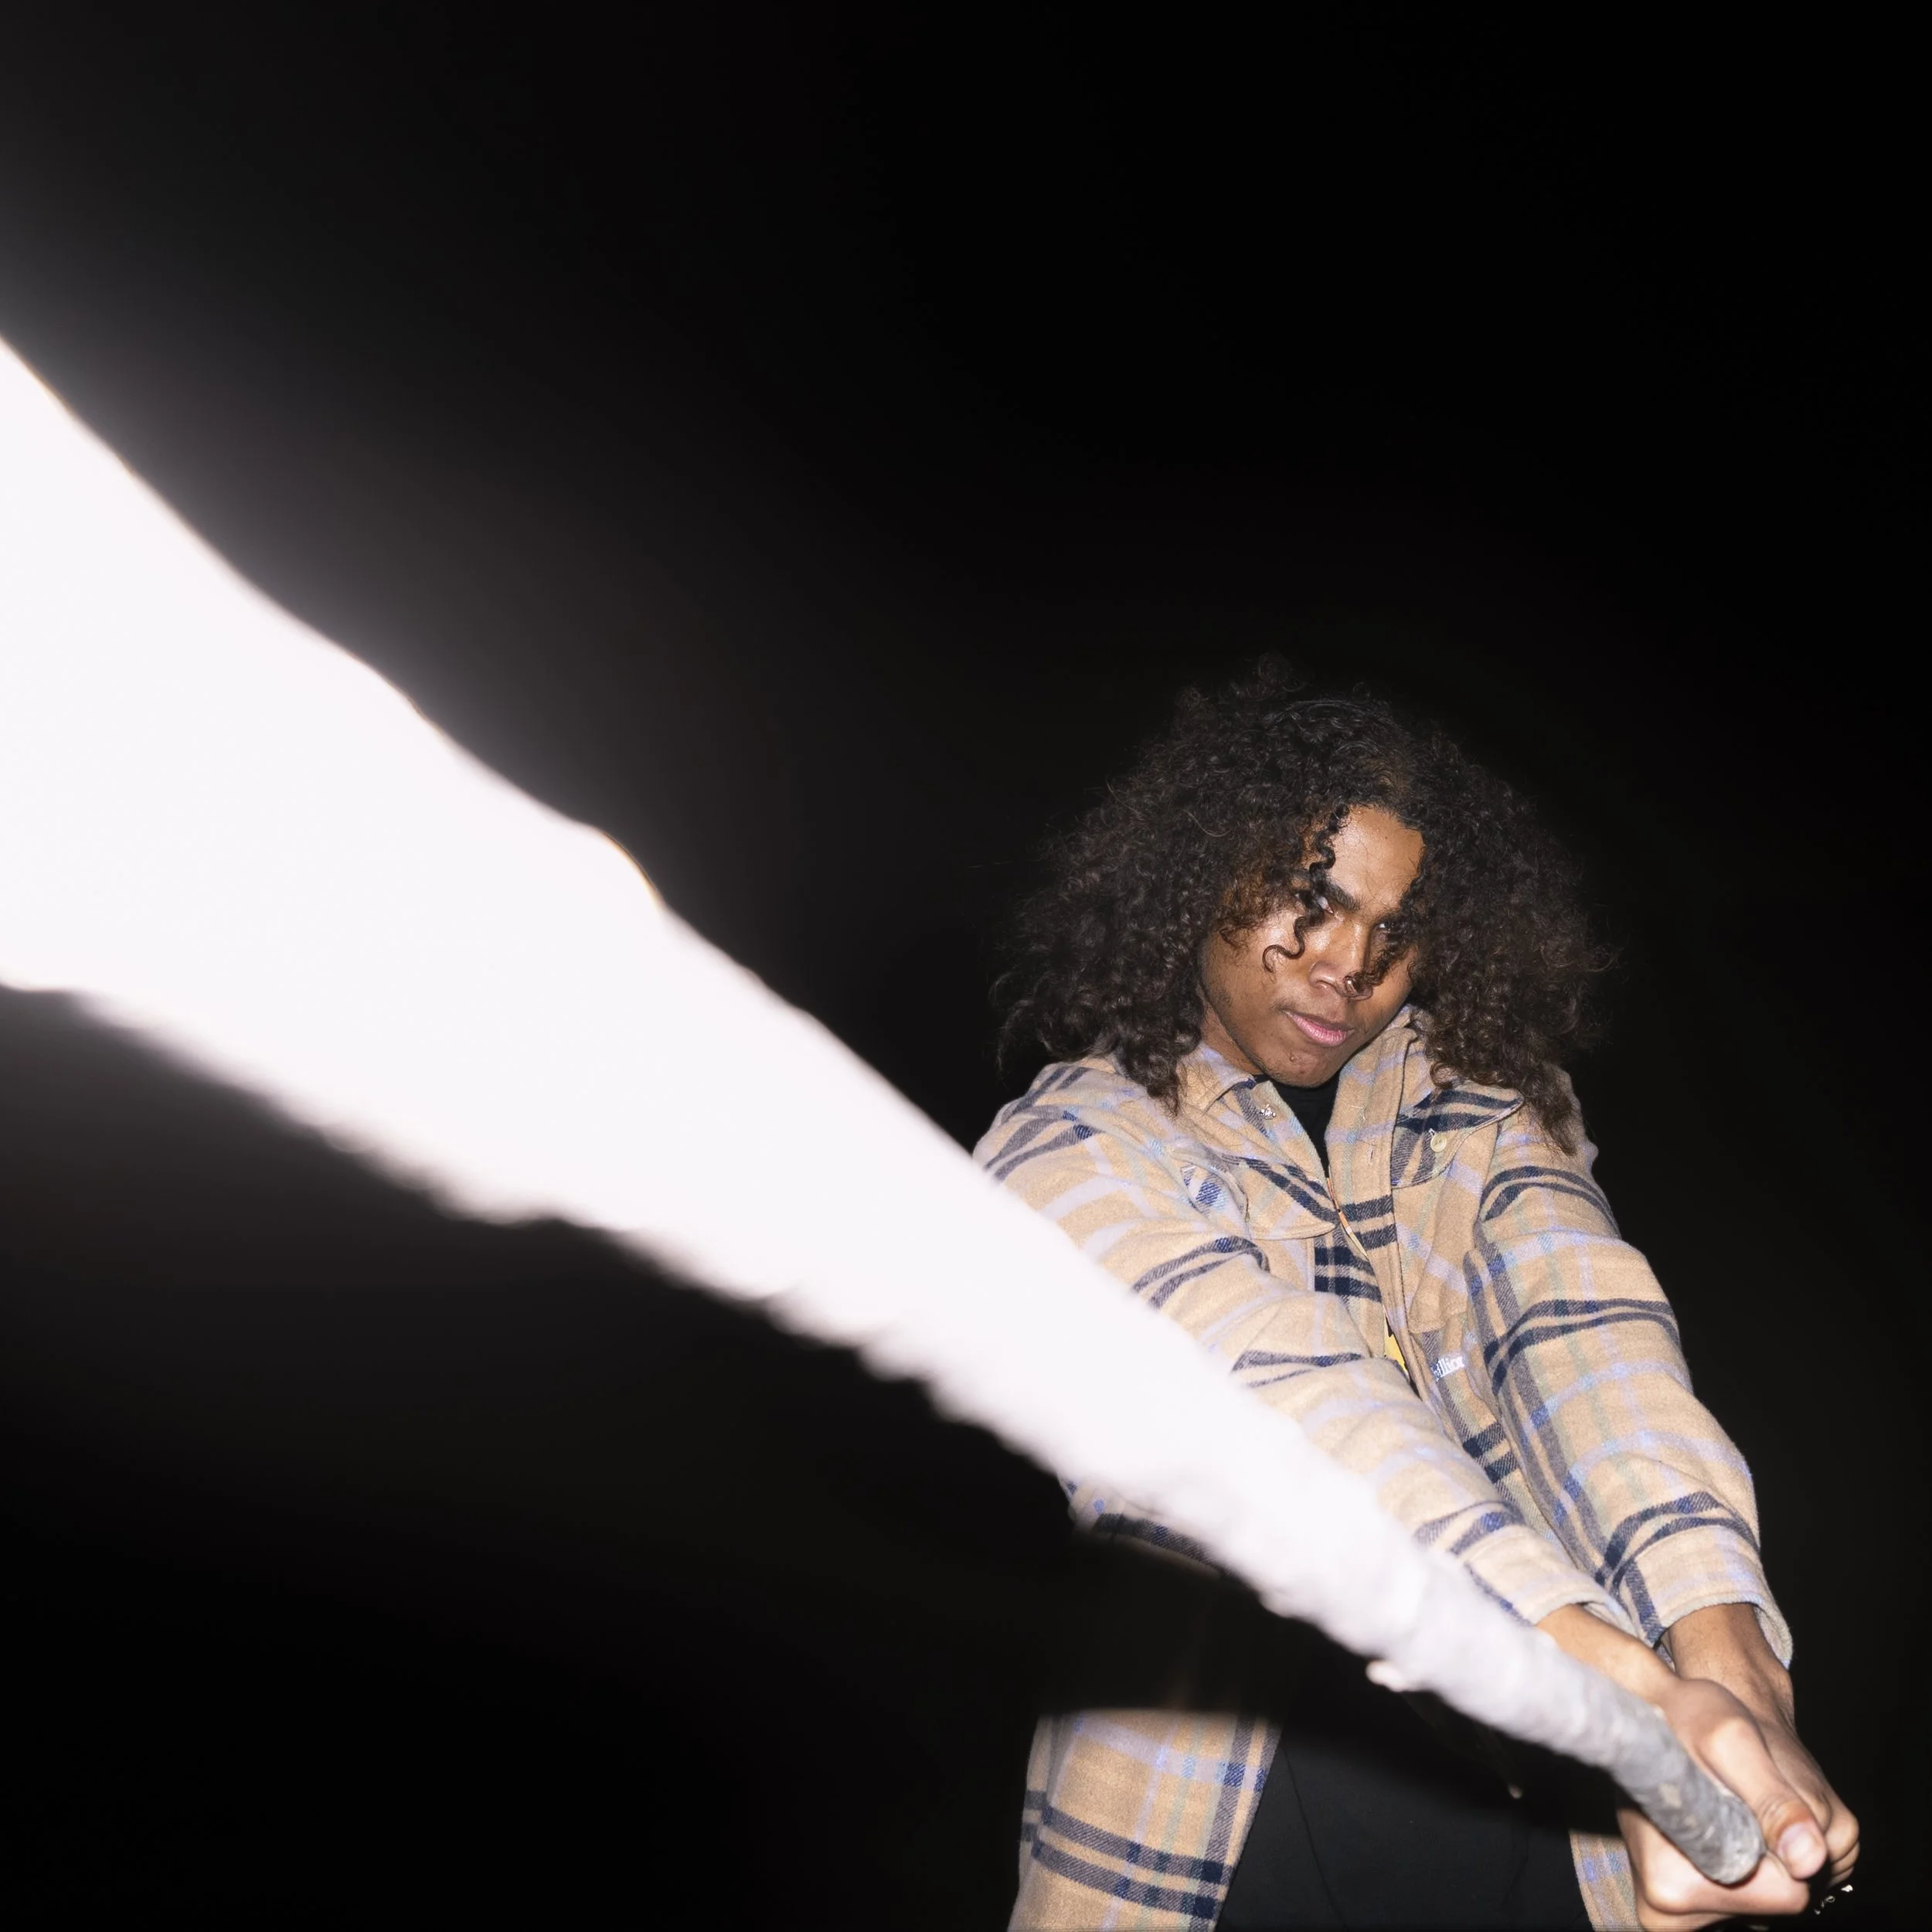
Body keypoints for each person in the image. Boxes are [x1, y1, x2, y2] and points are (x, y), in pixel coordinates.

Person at [978, 665, 1857, 1930]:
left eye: (1395, 934)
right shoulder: (1067, 1146)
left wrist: (1734, 1689)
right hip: (1219, 1857)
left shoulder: (1490, 1107)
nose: (1348, 966)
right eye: (1310, 905)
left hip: (1547, 1842)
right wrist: (1622, 1698)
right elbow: (1275, 1408)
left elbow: (1589, 1343)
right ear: (1198, 880)